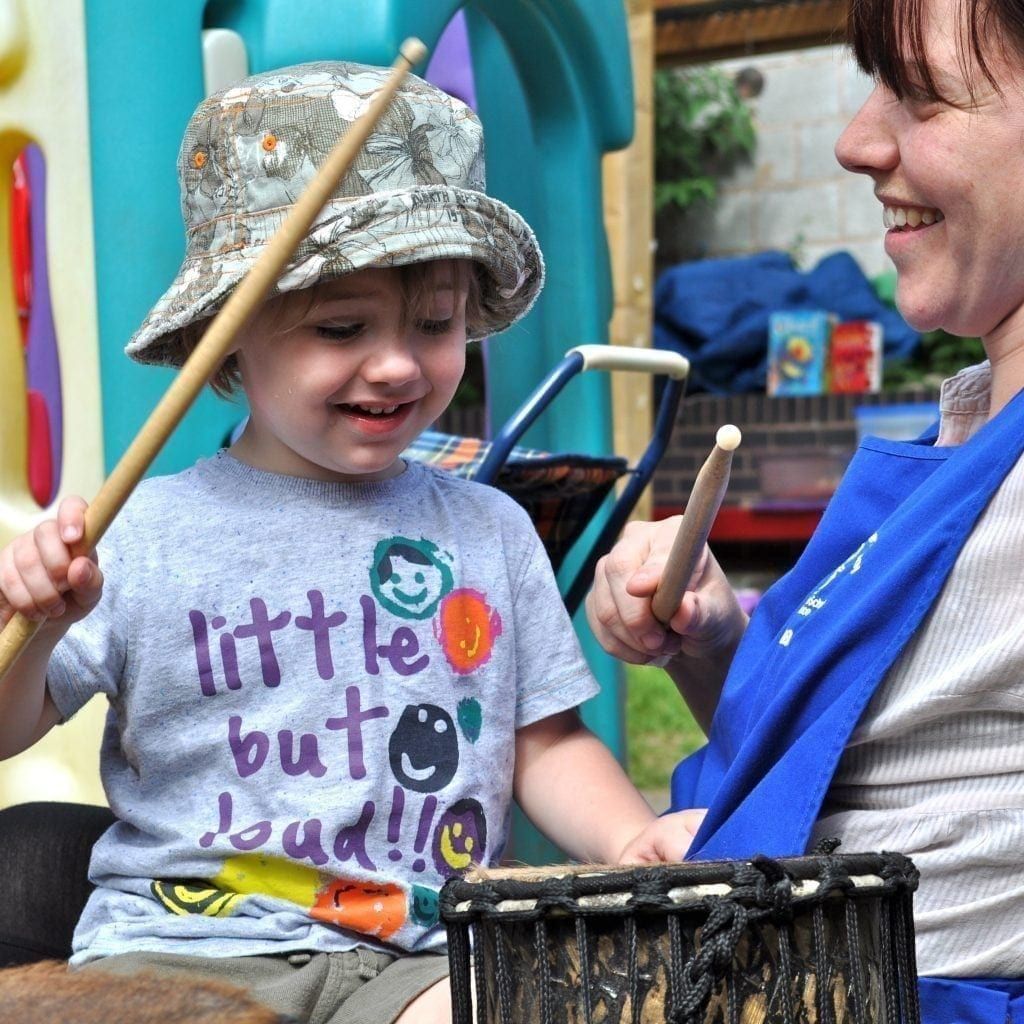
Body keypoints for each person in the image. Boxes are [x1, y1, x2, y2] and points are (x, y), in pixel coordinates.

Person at [0, 62, 689, 1023]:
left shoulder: (489, 529)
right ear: (225, 334)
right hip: (183, 948)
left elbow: (545, 741)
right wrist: (28, 625)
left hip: (427, 957)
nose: (399, 363)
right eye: (340, 325)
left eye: (437, 323)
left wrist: (627, 841)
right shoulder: (144, 530)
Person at [587, 0, 1024, 1020]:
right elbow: (892, 763)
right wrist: (714, 642)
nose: (854, 141)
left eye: (920, 96)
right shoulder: (963, 421)